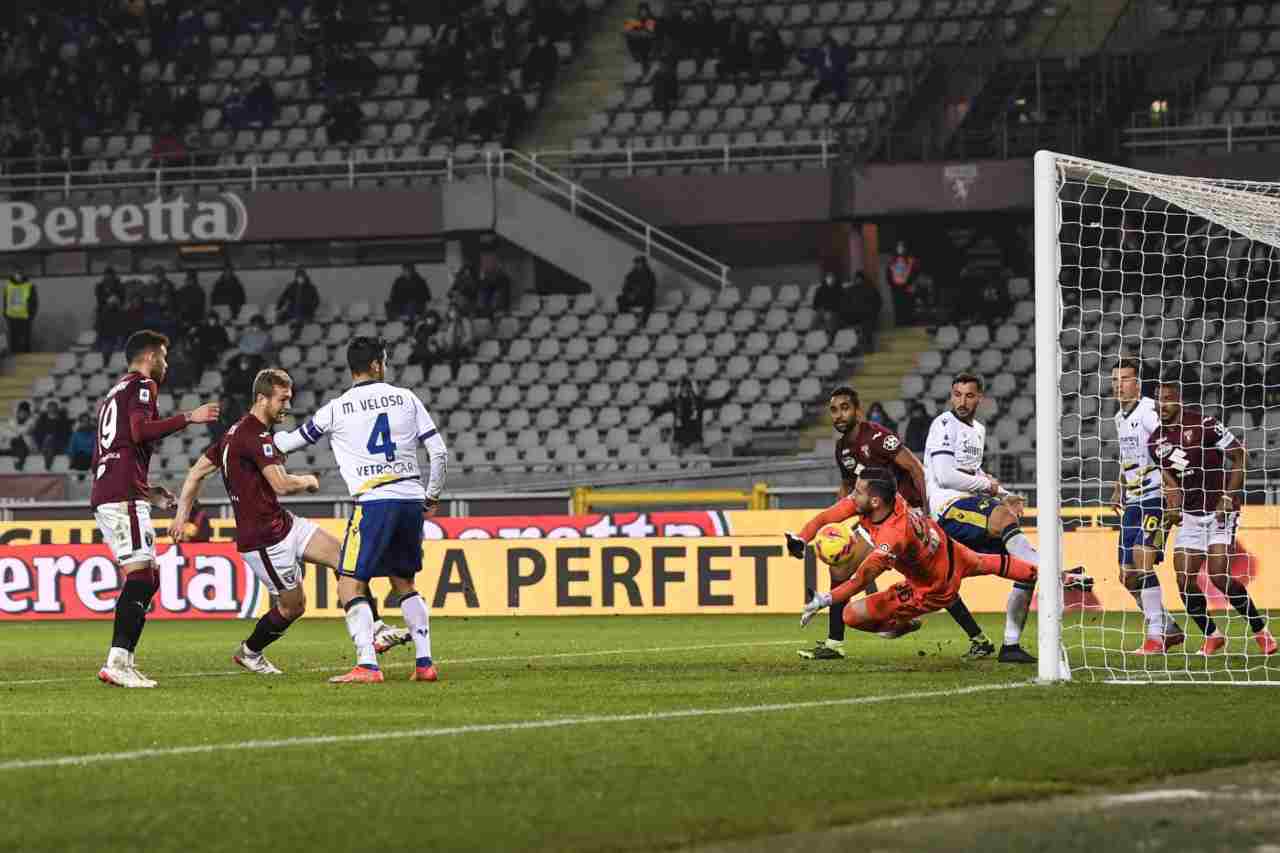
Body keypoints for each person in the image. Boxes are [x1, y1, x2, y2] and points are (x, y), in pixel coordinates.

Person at [273, 337, 449, 683]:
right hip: (411, 498)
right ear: (375, 365)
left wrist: (259, 436)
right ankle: (425, 663)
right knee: (404, 583)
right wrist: (430, 497)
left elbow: (289, 442)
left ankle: (367, 665)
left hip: (373, 502)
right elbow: (439, 452)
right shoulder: (407, 398)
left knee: (349, 583)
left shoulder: (336, 409)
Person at [786, 387, 993, 661]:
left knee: (934, 580)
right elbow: (848, 487)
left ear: (858, 410)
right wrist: (841, 527)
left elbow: (915, 468)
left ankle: (977, 639)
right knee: (840, 566)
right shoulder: (843, 448)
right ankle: (834, 643)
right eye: (834, 410)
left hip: (907, 516)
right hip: (876, 519)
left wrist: (928, 513)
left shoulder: (877, 437)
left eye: (845, 408)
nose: (839, 414)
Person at [169, 368, 341, 675]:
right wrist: (308, 480)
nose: (287, 405)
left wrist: (181, 516)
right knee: (294, 606)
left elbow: (195, 472)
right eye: (282, 399)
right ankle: (250, 652)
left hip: (283, 523)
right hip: (264, 540)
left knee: (344, 557)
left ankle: (373, 633)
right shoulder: (254, 436)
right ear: (262, 399)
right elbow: (282, 485)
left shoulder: (233, 434)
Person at [924, 372, 1085, 664]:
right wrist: (993, 490)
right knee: (1003, 517)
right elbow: (946, 475)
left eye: (969, 395)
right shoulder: (944, 424)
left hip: (972, 507)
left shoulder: (978, 430)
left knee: (1025, 571)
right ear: (951, 396)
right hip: (948, 509)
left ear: (979, 398)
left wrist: (1004, 493)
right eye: (957, 394)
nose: (962, 401)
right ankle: (1053, 570)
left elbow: (974, 474)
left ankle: (1010, 646)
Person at [92, 330, 221, 688]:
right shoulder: (142, 385)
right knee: (142, 577)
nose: (166, 363)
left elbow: (112, 450)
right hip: (120, 496)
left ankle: (125, 661)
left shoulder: (113, 393)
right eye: (163, 356)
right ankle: (117, 662)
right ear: (150, 357)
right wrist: (188, 417)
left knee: (150, 577)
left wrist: (146, 491)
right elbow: (138, 431)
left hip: (114, 490)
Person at [797, 468, 1039, 640]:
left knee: (851, 615)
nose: (851, 496)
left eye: (857, 492)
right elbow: (826, 517)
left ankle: (902, 623)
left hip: (933, 587)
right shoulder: (889, 498)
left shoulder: (892, 536)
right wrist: (801, 537)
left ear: (874, 501)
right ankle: (1053, 575)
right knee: (993, 564)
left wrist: (823, 600)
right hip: (951, 550)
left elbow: (861, 580)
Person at [1150, 376, 1275, 655]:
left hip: (1220, 512)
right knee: (1183, 580)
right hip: (1190, 516)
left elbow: (1240, 456)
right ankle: (1212, 634)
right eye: (1159, 399)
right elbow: (1170, 482)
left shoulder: (1206, 424)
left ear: (1178, 399)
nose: (1163, 404)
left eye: (1168, 398)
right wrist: (1172, 506)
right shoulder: (1155, 441)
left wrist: (1229, 496)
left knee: (1219, 576)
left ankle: (1259, 629)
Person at [1108, 357, 1182, 654]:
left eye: (1125, 379)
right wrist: (1118, 486)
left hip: (1156, 498)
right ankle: (1169, 627)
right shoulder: (1119, 417)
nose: (1119, 385)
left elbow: (1166, 448)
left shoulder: (1150, 411)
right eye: (1115, 380)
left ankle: (1155, 636)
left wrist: (1174, 491)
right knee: (1127, 576)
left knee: (1143, 560)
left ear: (1138, 384)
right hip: (1133, 503)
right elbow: (1130, 456)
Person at [654, 378, 724, 450]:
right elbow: (659, 411)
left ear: (692, 389)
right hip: (679, 439)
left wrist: (730, 393)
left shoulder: (699, 401)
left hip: (695, 440)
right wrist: (659, 405)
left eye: (688, 387)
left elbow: (718, 402)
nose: (685, 390)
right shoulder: (675, 402)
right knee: (675, 455)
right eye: (683, 387)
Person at [4, 266, 37, 353]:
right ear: (13, 274)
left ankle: (27, 359)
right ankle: (14, 357)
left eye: (20, 273)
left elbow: (34, 302)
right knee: (13, 340)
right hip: (12, 318)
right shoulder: (8, 286)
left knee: (25, 340)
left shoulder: (29, 286)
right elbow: (6, 301)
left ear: (23, 274)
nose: (18, 275)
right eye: (16, 273)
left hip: (25, 317)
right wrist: (5, 315)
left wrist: (31, 315)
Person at [886, 241, 918, 326]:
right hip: (896, 289)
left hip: (907, 288)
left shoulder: (910, 260)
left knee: (908, 308)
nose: (900, 249)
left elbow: (914, 273)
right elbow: (889, 275)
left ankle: (909, 325)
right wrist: (892, 284)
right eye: (898, 247)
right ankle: (899, 325)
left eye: (902, 247)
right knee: (898, 308)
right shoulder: (892, 261)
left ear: (905, 248)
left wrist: (911, 284)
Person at [33, 400, 71, 469]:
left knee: (51, 445)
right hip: (44, 442)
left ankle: (48, 463)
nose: (52, 409)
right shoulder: (41, 419)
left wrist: (54, 437)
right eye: (50, 407)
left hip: (58, 443)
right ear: (47, 409)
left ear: (57, 409)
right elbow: (37, 433)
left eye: (53, 408)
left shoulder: (63, 420)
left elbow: (66, 433)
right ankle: (45, 453)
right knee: (48, 440)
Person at [623, 3, 658, 72]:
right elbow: (626, 31)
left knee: (645, 51)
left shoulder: (650, 20)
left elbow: (649, 34)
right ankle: (644, 68)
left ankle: (646, 69)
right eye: (641, 11)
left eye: (644, 11)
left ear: (647, 11)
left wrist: (637, 32)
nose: (643, 13)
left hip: (650, 46)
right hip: (640, 46)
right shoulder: (636, 21)